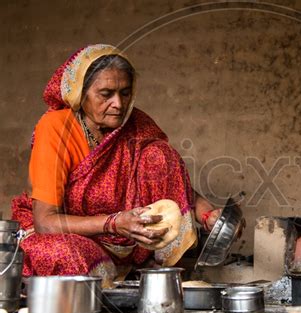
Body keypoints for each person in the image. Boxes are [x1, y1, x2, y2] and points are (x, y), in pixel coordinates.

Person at [11, 44, 221, 287]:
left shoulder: (136, 125)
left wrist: (208, 215)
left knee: (160, 154)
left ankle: (158, 271)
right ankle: (118, 277)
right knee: (63, 255)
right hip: (69, 236)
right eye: (105, 94)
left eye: (125, 93)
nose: (118, 104)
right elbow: (45, 222)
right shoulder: (56, 128)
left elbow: (171, 180)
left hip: (128, 239)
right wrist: (114, 223)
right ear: (81, 93)